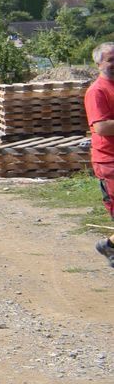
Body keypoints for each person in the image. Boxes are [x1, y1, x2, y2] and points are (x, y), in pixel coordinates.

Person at [84, 42, 114, 266]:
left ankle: (109, 245)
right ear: (99, 64)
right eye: (110, 60)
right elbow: (101, 127)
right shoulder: (97, 91)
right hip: (109, 161)